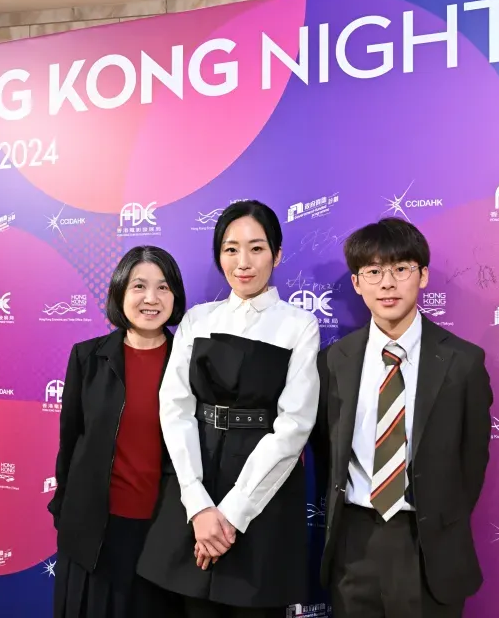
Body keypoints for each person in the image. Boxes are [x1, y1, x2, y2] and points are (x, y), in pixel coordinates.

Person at [137, 200, 321, 618]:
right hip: (195, 479)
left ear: (277, 254)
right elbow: (175, 408)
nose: (243, 263)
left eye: (256, 249)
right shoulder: (198, 320)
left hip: (262, 492)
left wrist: (233, 514)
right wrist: (198, 504)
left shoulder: (298, 325)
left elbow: (294, 426)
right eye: (231, 249)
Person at [313, 217, 493, 618]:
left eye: (401, 268)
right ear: (357, 283)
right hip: (354, 544)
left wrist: (437, 519)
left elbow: (472, 462)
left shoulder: (462, 363)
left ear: (423, 275)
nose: (387, 284)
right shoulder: (334, 361)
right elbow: (327, 449)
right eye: (373, 272)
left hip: (429, 548)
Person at [49, 245, 187, 618]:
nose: (151, 298)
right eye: (139, 286)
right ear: (120, 292)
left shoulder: (191, 362)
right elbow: (70, 442)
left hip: (164, 534)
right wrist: (65, 511)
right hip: (95, 534)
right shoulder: (87, 358)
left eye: (163, 287)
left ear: (175, 296)